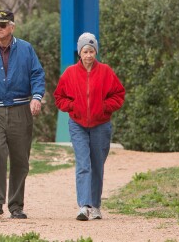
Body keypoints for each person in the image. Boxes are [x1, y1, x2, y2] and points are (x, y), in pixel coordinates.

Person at [0, 9, 45, 219]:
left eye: (2, 25)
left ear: (12, 26)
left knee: (20, 160)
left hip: (21, 110)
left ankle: (16, 206)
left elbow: (37, 74)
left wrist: (37, 97)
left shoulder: (26, 49)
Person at [54, 32, 125, 221]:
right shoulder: (69, 73)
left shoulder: (106, 71)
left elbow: (118, 94)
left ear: (96, 52)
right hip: (77, 125)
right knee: (83, 164)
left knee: (97, 166)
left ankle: (95, 206)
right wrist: (73, 107)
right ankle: (84, 206)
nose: (88, 55)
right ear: (80, 52)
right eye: (85, 51)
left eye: (92, 51)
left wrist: (104, 108)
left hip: (101, 125)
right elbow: (59, 97)